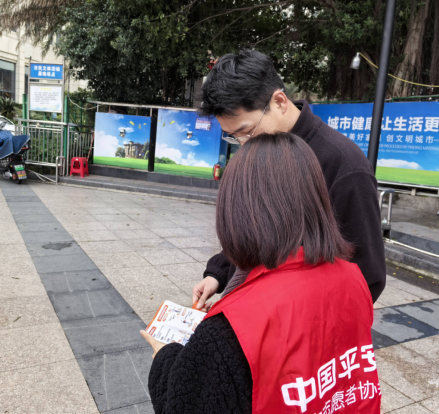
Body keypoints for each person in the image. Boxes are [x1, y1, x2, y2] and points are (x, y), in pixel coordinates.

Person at [141, 133, 381, 413]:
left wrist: (164, 356)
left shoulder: (227, 331)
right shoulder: (353, 278)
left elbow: (184, 403)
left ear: (237, 212)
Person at [192, 50, 386, 308]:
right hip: (253, 304)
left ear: (279, 101)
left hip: (300, 318)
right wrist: (217, 273)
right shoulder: (261, 149)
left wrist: (300, 321)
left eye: (246, 131)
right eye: (234, 137)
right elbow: (251, 232)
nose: (244, 144)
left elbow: (367, 275)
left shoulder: (344, 165)